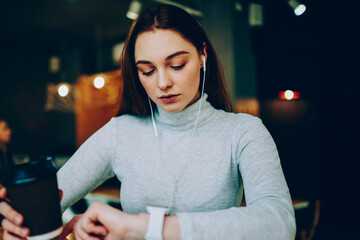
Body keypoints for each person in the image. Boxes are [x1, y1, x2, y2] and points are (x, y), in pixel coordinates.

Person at [0, 4, 296, 240]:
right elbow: (49, 202)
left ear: (203, 55)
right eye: (147, 70)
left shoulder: (242, 132)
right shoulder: (121, 132)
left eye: (177, 65)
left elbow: (278, 223)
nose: (163, 83)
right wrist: (18, 219)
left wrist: (142, 227)